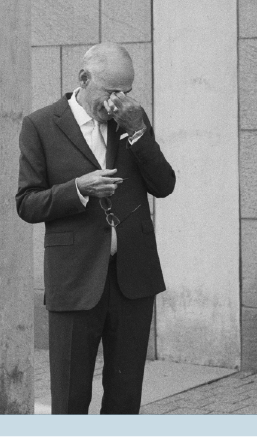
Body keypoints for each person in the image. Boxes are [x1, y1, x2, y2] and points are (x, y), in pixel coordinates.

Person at [16, 42, 176, 414]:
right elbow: (27, 202)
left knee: (124, 397)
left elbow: (164, 185)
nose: (118, 101)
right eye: (111, 92)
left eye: (127, 92)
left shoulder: (131, 119)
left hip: (133, 279)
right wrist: (77, 189)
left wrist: (138, 132)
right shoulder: (40, 125)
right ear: (84, 79)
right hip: (75, 279)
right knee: (70, 398)